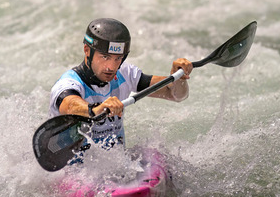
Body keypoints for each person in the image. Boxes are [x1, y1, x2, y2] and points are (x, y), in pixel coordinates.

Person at [49, 18, 193, 150]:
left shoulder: (125, 74)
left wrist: (178, 78)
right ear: (87, 50)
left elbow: (176, 95)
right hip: (77, 172)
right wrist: (97, 109)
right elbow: (70, 105)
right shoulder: (68, 83)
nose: (111, 67)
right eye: (105, 57)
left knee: (156, 155)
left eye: (117, 58)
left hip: (116, 167)